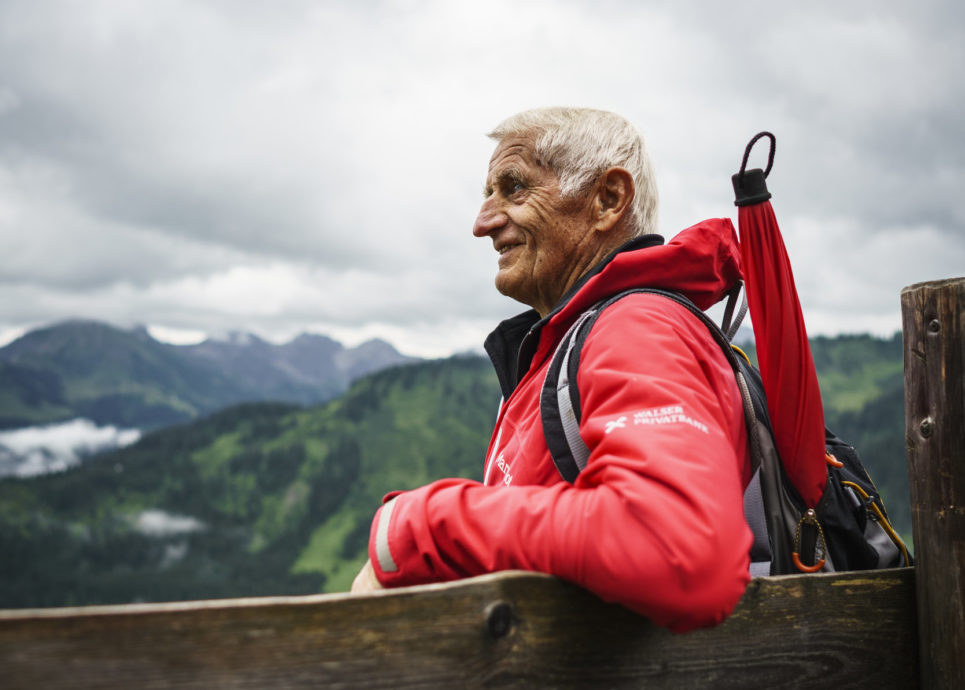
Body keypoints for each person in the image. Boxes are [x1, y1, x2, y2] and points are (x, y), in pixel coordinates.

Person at [351, 107, 752, 632]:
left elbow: (680, 551)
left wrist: (419, 527)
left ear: (608, 200)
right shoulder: (564, 346)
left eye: (514, 188)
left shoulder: (634, 327)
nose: (482, 223)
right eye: (487, 194)